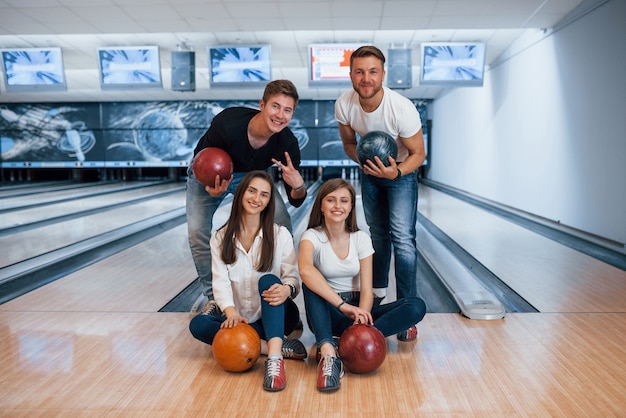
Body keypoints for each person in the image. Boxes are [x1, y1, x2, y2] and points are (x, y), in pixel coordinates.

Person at [187, 79, 307, 317]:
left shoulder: (286, 143)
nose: (280, 115)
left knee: (282, 225)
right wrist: (210, 185)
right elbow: (200, 160)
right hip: (211, 175)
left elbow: (297, 199)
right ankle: (213, 299)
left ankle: (282, 293)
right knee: (197, 232)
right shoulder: (227, 123)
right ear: (262, 105)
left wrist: (300, 185)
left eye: (287, 110)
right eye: (275, 106)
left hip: (251, 177)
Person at [298, 178, 426, 392]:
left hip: (358, 310)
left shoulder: (361, 238)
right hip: (329, 312)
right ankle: (329, 352)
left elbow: (367, 289)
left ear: (351, 207)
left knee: (416, 305)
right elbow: (305, 270)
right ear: (321, 205)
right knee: (310, 284)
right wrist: (342, 306)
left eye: (344, 201)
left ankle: (354, 339)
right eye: (331, 200)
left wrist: (361, 320)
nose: (337, 206)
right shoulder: (312, 236)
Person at [334, 45, 426, 341]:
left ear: (383, 74)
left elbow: (418, 154)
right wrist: (365, 162)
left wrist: (396, 172)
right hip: (372, 173)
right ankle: (378, 295)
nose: (366, 78)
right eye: (359, 72)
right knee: (377, 235)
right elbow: (350, 144)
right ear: (351, 75)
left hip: (400, 172)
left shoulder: (401, 109)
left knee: (402, 238)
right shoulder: (344, 104)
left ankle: (408, 311)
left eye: (373, 71)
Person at [189, 170, 307, 392]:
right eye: (252, 191)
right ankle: (275, 347)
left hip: (279, 315)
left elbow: (292, 277)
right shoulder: (220, 238)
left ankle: (274, 361)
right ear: (241, 193)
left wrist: (286, 289)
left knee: (270, 280)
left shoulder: (280, 235)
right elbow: (220, 282)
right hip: (240, 320)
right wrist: (231, 314)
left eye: (264, 194)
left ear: (269, 200)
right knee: (198, 325)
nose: (256, 199)